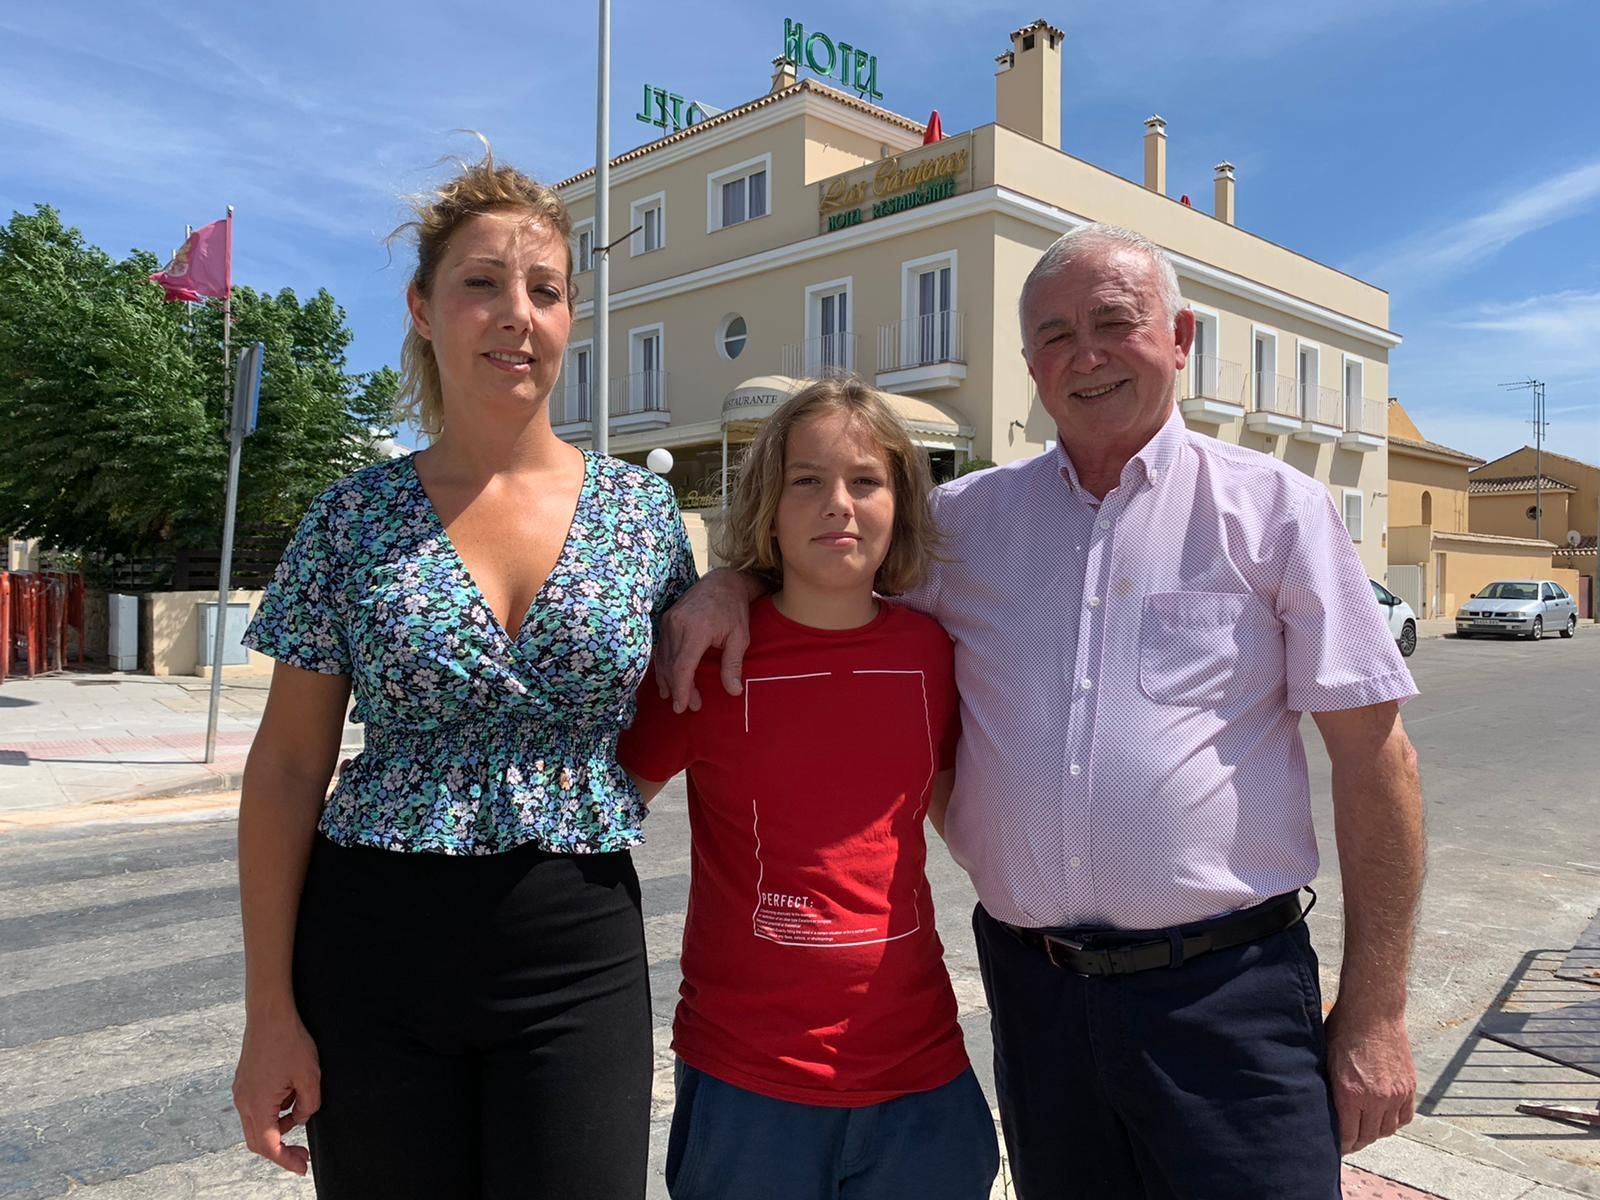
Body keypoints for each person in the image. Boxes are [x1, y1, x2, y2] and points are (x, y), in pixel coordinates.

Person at [657, 223, 1425, 1199]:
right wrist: (730, 582)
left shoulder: (1276, 511)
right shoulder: (963, 525)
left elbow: (1377, 760)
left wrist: (1375, 1013)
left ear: (1180, 337)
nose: (1086, 354)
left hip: (1225, 1000)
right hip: (1038, 997)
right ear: (1029, 366)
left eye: (1115, 322)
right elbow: (829, 566)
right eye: (1055, 335)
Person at [230, 148, 696, 1199]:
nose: (514, 315)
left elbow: (693, 709)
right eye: (480, 283)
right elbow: (290, 769)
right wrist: (270, 1014)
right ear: (424, 309)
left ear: (572, 316)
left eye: (544, 289)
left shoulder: (643, 516)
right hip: (372, 951)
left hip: (576, 947)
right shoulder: (351, 520)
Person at [618, 378, 999, 1200]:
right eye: (807, 481)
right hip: (749, 1083)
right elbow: (604, 818)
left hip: (919, 1074)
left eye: (865, 481)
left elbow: (961, 818)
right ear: (769, 503)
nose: (839, 504)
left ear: (899, 502)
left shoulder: (935, 653)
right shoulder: (706, 658)